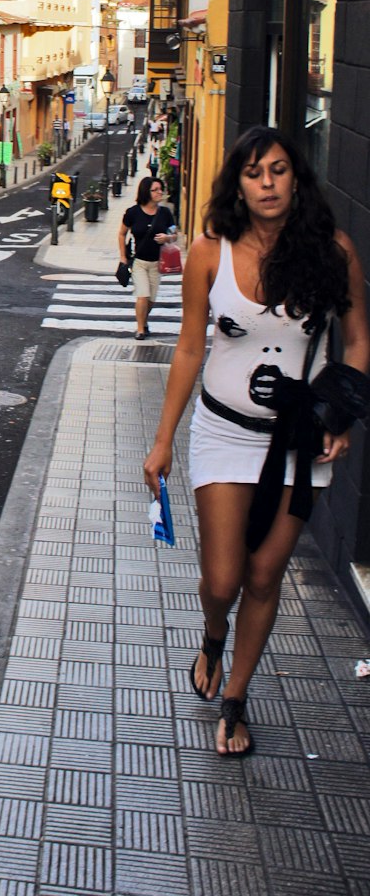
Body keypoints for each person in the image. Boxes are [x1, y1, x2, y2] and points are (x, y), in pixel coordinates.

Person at [144, 127, 370, 758]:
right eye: (253, 173)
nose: (267, 183)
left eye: (277, 170)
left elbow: (358, 342)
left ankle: (236, 700)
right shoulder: (209, 252)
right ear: (237, 186)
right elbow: (190, 347)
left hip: (297, 445)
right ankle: (214, 632)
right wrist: (162, 442)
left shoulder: (333, 251)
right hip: (221, 432)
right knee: (222, 579)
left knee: (266, 575)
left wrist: (340, 416)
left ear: (295, 178)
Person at [118, 177, 178, 339]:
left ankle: (144, 320)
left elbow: (174, 235)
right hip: (139, 262)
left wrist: (167, 238)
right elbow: (122, 233)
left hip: (157, 263)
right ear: (146, 192)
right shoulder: (133, 212)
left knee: (151, 299)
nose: (160, 193)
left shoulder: (165, 213)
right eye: (155, 190)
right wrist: (123, 256)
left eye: (160, 189)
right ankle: (140, 329)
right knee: (142, 295)